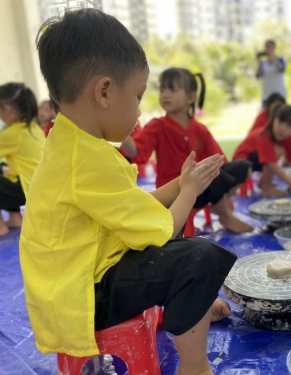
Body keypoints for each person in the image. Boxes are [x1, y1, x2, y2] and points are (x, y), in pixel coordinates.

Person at [20, 9, 237, 375]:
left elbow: (135, 208)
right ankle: (196, 365)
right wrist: (189, 192)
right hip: (85, 297)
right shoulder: (88, 160)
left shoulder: (73, 145)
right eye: (137, 96)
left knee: (181, 245)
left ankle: (181, 315)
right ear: (104, 91)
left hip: (80, 281)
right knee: (200, 256)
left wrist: (179, 186)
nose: (140, 109)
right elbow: (164, 227)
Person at [121, 68, 253, 233]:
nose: (165, 94)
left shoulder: (200, 130)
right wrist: (122, 130)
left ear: (190, 97)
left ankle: (222, 212)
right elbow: (135, 152)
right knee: (209, 173)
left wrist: (225, 197)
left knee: (240, 166)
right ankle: (223, 213)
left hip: (199, 186)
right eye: (162, 89)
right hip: (173, 191)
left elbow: (219, 160)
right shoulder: (157, 126)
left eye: (172, 89)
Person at [0, 83, 45, 236]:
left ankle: (0, 226)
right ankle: (14, 218)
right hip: (39, 185)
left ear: (8, 109)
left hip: (26, 189)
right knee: (7, 174)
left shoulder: (13, 134)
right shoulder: (34, 129)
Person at [233, 104, 291, 198]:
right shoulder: (264, 135)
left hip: (256, 160)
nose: (283, 128)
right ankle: (267, 188)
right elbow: (271, 164)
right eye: (280, 122)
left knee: (276, 151)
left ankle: (263, 182)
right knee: (275, 151)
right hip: (241, 163)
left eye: (289, 126)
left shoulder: (288, 139)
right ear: (273, 120)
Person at [256, 39, 286, 107]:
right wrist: (259, 62)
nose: (267, 49)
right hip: (266, 95)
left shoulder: (280, 60)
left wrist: (273, 60)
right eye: (266, 47)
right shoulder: (263, 64)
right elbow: (258, 75)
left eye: (269, 47)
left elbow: (281, 68)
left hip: (279, 94)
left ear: (274, 47)